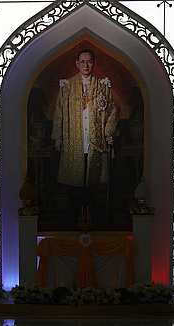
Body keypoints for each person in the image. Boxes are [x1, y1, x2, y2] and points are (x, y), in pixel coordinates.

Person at [52, 47, 118, 226]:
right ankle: (73, 226)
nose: (86, 65)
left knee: (94, 186)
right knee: (74, 187)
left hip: (95, 141)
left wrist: (108, 132)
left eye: (89, 61)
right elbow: (59, 112)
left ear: (93, 63)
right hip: (74, 140)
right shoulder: (67, 86)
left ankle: (96, 225)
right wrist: (58, 137)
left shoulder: (103, 85)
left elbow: (112, 110)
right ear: (77, 64)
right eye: (82, 61)